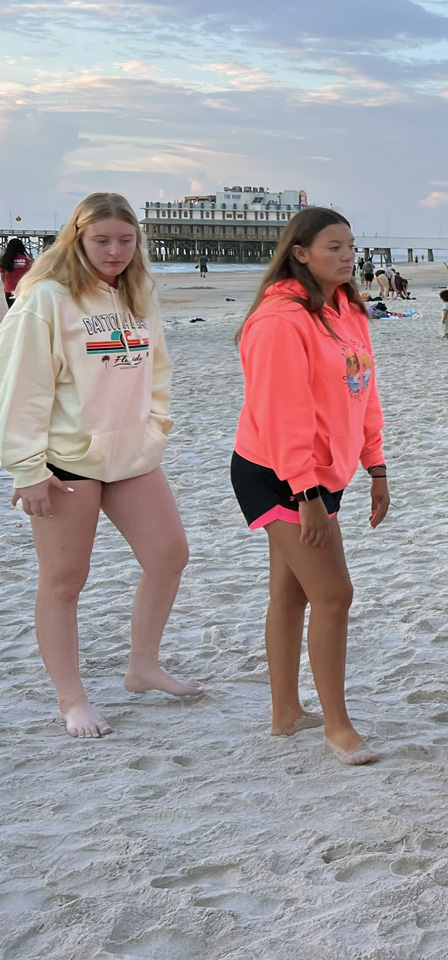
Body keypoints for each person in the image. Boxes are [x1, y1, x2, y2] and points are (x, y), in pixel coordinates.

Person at [0, 193, 199, 738]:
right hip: (65, 461)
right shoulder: (46, 298)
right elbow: (21, 387)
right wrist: (27, 468)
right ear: (77, 239)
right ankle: (72, 699)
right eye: (102, 240)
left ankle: (143, 665)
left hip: (132, 455)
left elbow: (157, 370)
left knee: (169, 555)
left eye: (125, 240)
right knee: (65, 580)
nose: (115, 251)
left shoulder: (137, 294)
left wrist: (154, 428)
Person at [231, 206, 391, 766]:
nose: (348, 256)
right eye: (334, 247)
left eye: (351, 246)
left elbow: (363, 394)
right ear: (300, 253)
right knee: (334, 595)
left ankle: (285, 712)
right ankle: (337, 726)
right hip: (278, 474)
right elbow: (283, 416)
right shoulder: (280, 320)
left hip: (328, 472)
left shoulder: (347, 309)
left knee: (291, 591)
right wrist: (307, 496)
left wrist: (376, 467)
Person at [1, 238, 33, 308]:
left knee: (11, 311)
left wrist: (6, 285)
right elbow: (31, 274)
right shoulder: (27, 260)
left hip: (9, 289)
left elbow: (3, 276)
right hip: (23, 289)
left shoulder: (5, 260)